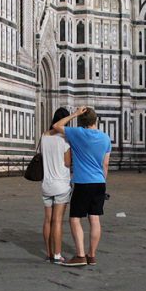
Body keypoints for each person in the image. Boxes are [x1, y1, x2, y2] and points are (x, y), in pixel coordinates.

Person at [54, 106, 112, 265]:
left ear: (81, 121)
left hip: (82, 182)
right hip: (99, 183)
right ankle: (91, 255)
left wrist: (74, 114)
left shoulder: (77, 133)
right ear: (96, 120)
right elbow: (105, 164)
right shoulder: (106, 138)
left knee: (75, 219)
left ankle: (80, 256)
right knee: (94, 219)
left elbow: (56, 126)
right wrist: (103, 181)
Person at [40, 108, 72, 265]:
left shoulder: (44, 136)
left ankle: (49, 253)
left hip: (46, 184)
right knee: (57, 221)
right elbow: (67, 163)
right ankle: (58, 256)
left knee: (47, 220)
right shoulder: (65, 139)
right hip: (61, 185)